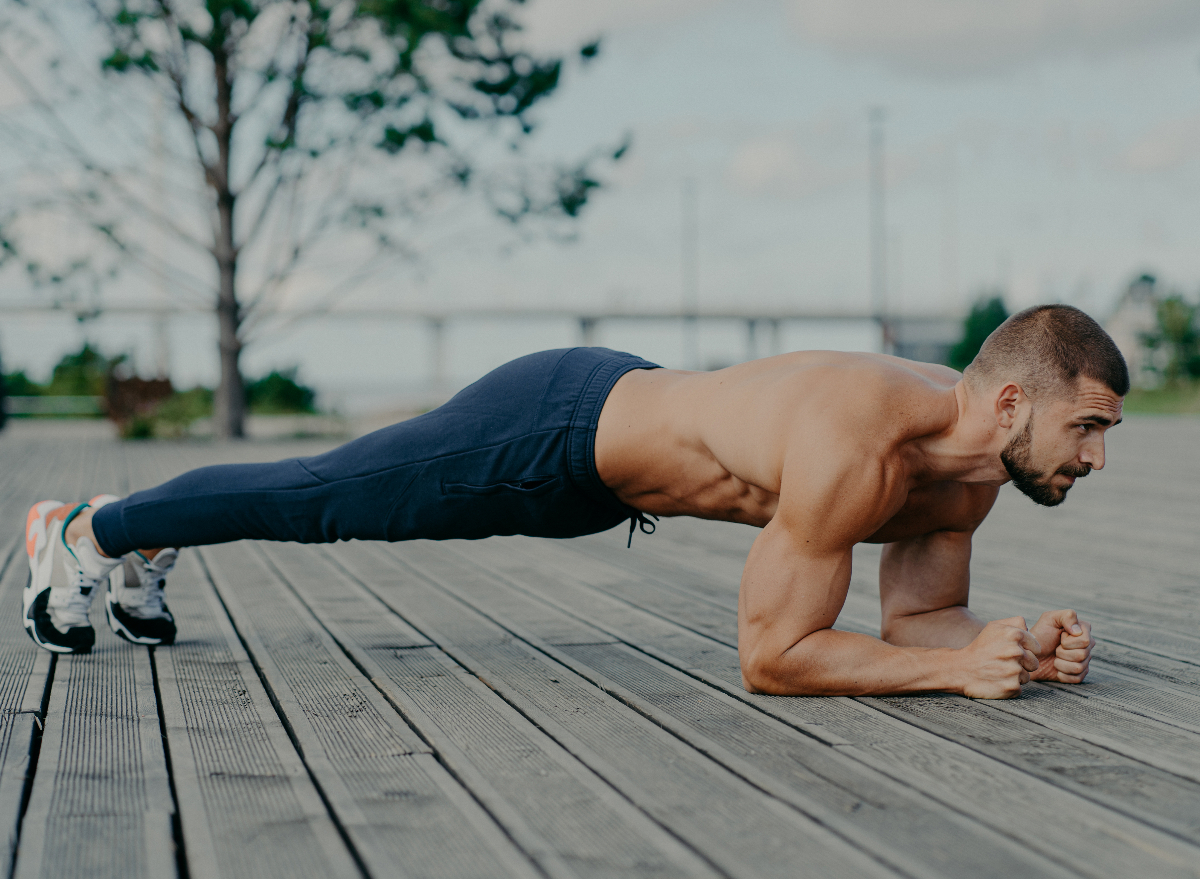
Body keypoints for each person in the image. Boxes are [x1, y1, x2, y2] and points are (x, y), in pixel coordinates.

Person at [24, 304, 1120, 699]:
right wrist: (947, 675)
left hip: (605, 472)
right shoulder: (860, 439)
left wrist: (1007, 642)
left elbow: (918, 621)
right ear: (1012, 398)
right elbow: (773, 656)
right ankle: (88, 530)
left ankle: (138, 537)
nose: (1098, 459)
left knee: (323, 495)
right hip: (552, 430)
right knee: (324, 497)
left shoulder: (972, 473)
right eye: (1089, 428)